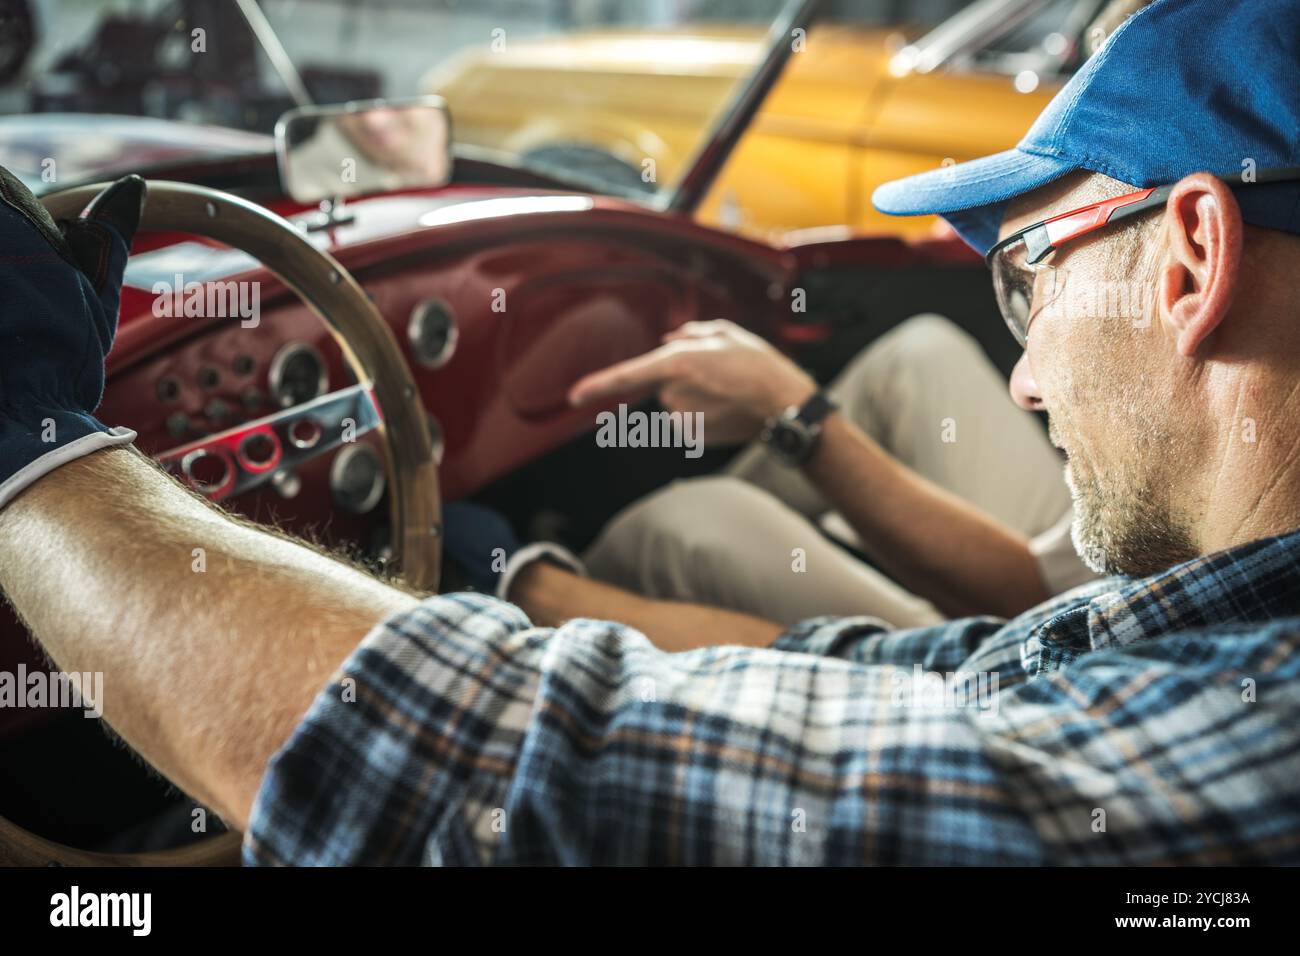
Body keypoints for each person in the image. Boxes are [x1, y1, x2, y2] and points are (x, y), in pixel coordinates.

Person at [3, 0, 1300, 865]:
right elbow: (945, 675)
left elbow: (510, 784)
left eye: (1032, 270)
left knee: (690, 519)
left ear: (1191, 258)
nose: (1024, 377)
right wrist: (504, 584)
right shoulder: (1218, 625)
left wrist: (39, 448)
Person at [575, 313, 1091, 628]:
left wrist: (794, 412)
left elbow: (1033, 600)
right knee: (920, 352)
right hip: (1083, 579)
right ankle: (771, 544)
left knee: (686, 522)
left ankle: (555, 599)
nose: (1028, 386)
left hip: (1054, 653)